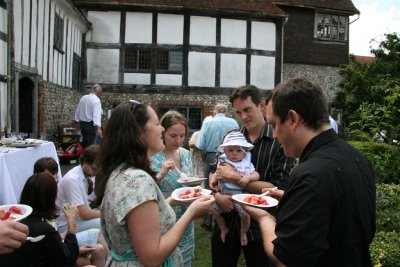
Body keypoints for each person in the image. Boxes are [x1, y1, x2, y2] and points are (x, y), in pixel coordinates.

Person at [244, 77, 376, 266]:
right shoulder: (358, 158)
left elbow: (284, 259)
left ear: (293, 118)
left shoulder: (309, 176)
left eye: (274, 125)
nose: (274, 135)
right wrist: (293, 200)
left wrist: (264, 218)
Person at [93, 100, 215, 266]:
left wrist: (172, 200)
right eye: (157, 123)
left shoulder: (122, 171)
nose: (162, 129)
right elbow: (152, 256)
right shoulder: (138, 181)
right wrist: (191, 212)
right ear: (138, 132)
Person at [211, 85, 294, 267]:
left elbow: (277, 188)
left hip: (261, 225)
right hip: (226, 219)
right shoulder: (231, 137)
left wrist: (234, 178)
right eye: (238, 112)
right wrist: (216, 193)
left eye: (247, 110)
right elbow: (215, 169)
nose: (243, 117)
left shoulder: (278, 140)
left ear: (262, 106)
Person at [0, 173, 80, 266]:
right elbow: (68, 259)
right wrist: (71, 222)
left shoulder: (11, 222)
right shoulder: (43, 229)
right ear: (51, 198)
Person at [150, 110, 195, 267]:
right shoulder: (153, 156)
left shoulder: (185, 154)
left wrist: (194, 185)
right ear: (162, 132)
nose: (178, 140)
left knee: (186, 259)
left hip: (186, 217)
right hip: (164, 216)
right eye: (173, 136)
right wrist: (161, 173)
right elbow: (145, 190)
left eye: (182, 136)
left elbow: (191, 181)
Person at [210, 131, 259, 246]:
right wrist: (213, 180)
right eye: (230, 150)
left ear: (244, 151)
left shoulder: (246, 162)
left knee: (246, 215)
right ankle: (223, 228)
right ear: (225, 151)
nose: (234, 154)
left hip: (240, 196)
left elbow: (256, 174)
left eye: (238, 150)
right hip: (223, 195)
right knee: (214, 212)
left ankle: (243, 233)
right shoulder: (223, 160)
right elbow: (216, 172)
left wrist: (249, 178)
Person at [195, 103, 239, 228]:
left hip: (210, 155)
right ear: (226, 111)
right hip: (230, 157)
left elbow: (201, 144)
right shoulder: (233, 123)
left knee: (209, 188)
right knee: (227, 186)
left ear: (214, 111)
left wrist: (205, 158)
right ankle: (227, 219)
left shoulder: (208, 122)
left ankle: (208, 220)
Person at [56, 144, 101, 233]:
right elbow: (83, 214)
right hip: (65, 224)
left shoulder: (89, 174)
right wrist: (108, 214)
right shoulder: (72, 180)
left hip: (78, 219)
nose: (97, 173)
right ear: (84, 162)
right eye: (94, 169)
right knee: (104, 223)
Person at [75, 83, 103, 148]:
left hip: (83, 124)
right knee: (91, 145)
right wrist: (99, 128)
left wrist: (77, 121)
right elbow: (96, 115)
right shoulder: (96, 100)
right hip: (91, 125)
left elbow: (78, 110)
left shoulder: (83, 97)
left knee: (84, 143)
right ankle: (89, 157)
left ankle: (84, 157)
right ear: (99, 92)